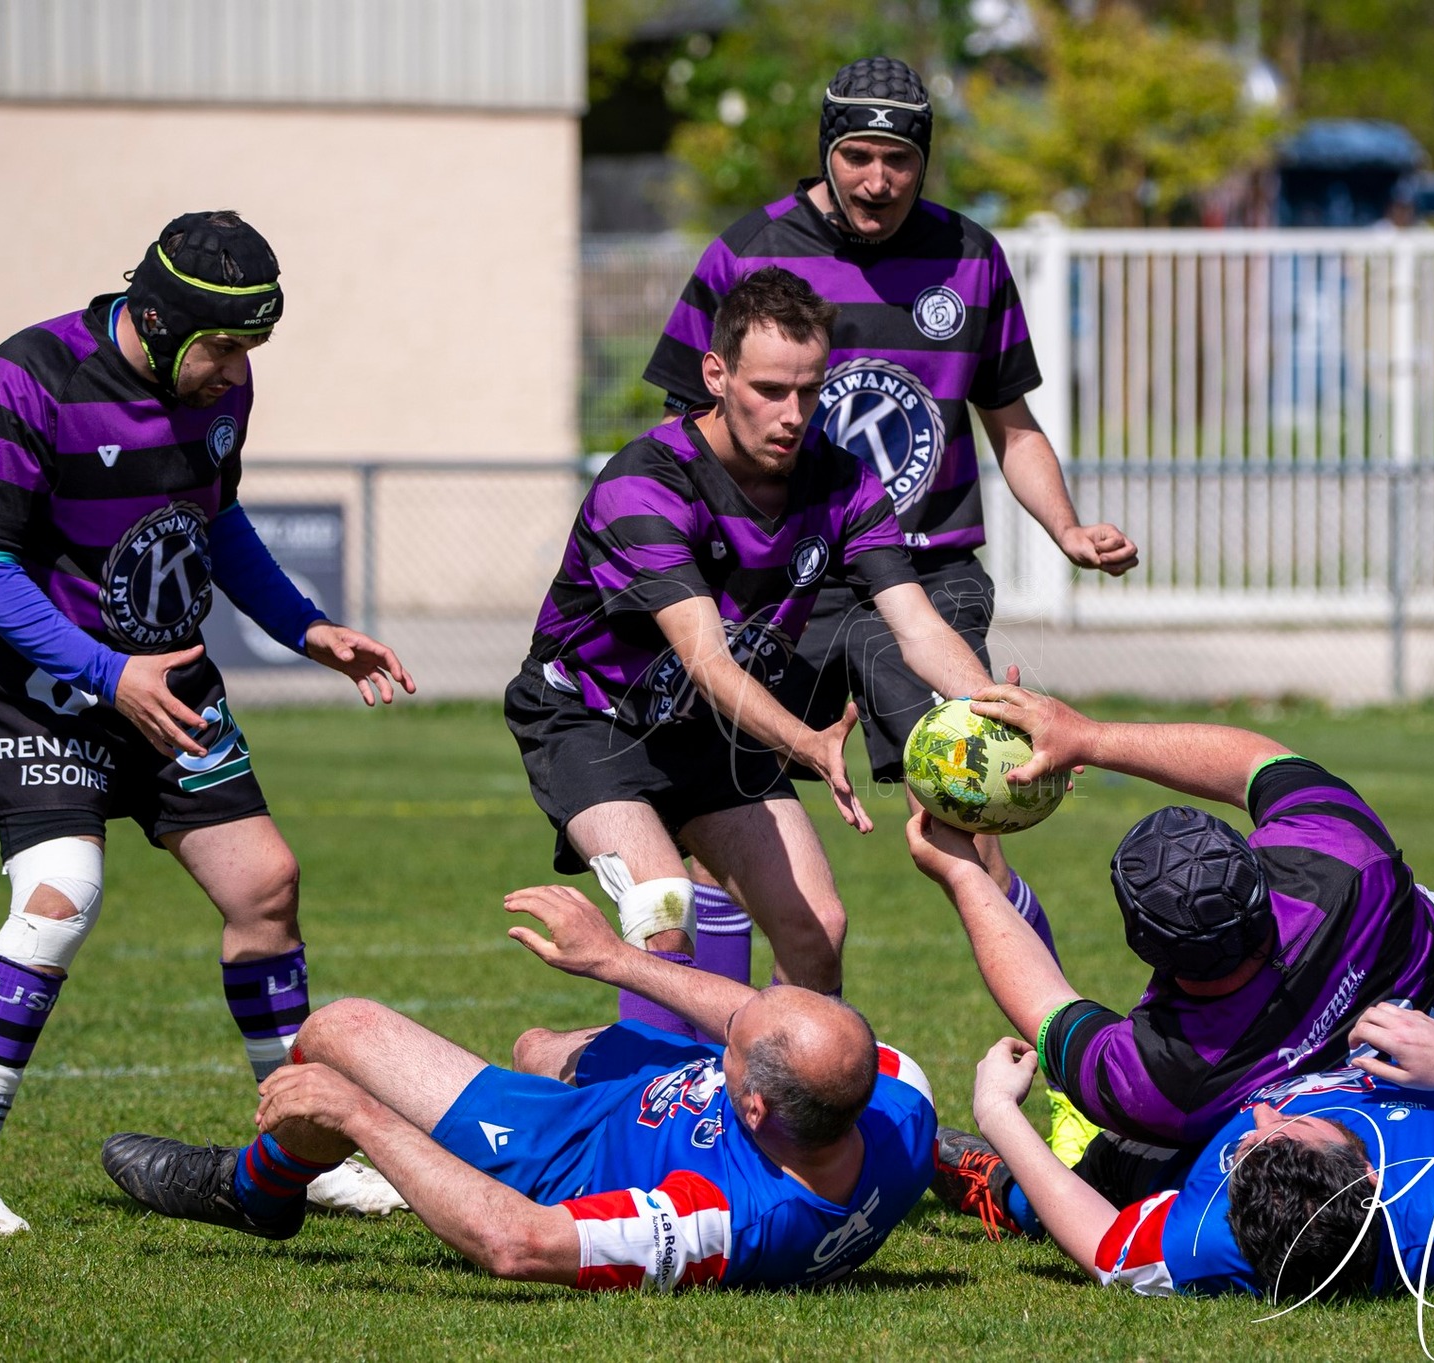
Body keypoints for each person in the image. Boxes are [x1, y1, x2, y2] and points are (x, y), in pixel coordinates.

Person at [644, 54, 1137, 1158]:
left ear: (925, 159)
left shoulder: (968, 258)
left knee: (969, 805)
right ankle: (729, 1087)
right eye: (856, 156)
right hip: (775, 582)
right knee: (711, 810)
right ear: (825, 150)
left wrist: (1064, 528)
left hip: (922, 580)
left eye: (898, 159)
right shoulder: (748, 252)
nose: (876, 179)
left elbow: (1009, 426)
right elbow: (687, 433)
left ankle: (1057, 1079)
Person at [0, 211, 416, 1233]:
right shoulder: (23, 378)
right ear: (154, 314)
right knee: (63, 894)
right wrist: (109, 675)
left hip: (169, 685)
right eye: (223, 345)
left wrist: (306, 627)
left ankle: (298, 1154)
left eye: (250, 348)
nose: (235, 369)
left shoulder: (221, 386)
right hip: (35, 687)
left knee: (264, 884)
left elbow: (215, 520)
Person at [509, 267, 991, 1029]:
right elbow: (707, 659)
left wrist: (997, 710)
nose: (793, 414)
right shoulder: (646, 486)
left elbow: (919, 625)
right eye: (770, 389)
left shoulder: (844, 482)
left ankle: (788, 1122)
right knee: (662, 915)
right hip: (594, 720)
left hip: (707, 728)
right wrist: (808, 743)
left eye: (810, 389)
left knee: (817, 932)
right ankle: (589, 1084)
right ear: (716, 374)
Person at [99, 883, 937, 1291]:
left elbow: (519, 1243)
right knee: (538, 1042)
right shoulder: (896, 1101)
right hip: (645, 1098)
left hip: (567, 1153)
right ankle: (549, 1063)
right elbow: (753, 1025)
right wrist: (613, 959)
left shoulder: (722, 1223)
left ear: (752, 1104)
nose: (732, 1028)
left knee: (335, 1037)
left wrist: (359, 1116)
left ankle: (255, 1190)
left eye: (737, 1048)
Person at [934, 899, 1434, 1300]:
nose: (1264, 1111)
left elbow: (1106, 1243)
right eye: (1295, 1123)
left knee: (1107, 1172)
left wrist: (1001, 1112)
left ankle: (995, 1187)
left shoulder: (1219, 1240)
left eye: (1251, 1142)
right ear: (1367, 1169)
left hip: (1198, 1160)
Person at [904, 683, 1434, 1152]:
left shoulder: (1160, 1075)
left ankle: (1003, 1186)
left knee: (1128, 1168)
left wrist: (962, 874)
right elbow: (1256, 763)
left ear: (1145, 944)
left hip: (1358, 1133)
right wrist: (1088, 736)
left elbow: (1046, 1007)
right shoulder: (1338, 848)